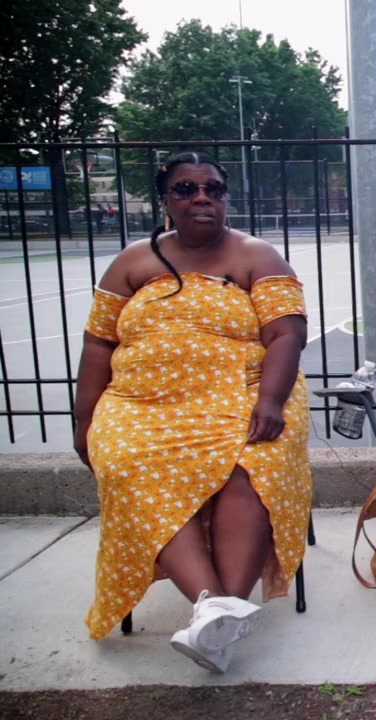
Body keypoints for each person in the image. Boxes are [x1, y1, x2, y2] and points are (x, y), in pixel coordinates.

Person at [74, 152, 310, 673]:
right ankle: (218, 612)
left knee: (251, 464)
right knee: (130, 464)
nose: (202, 197)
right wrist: (84, 420)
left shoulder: (257, 256)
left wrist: (270, 401)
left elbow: (286, 335)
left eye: (213, 189)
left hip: (246, 393)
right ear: (165, 199)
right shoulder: (132, 262)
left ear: (225, 198)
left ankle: (217, 615)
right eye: (186, 189)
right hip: (140, 404)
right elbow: (98, 344)